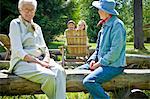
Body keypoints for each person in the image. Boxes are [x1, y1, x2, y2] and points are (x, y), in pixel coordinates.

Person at [8, 0, 66, 99]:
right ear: (20, 10)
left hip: (40, 60)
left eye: (32, 10)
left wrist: (46, 59)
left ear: (35, 11)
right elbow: (18, 51)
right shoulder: (15, 24)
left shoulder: (37, 27)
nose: (29, 12)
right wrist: (39, 63)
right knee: (50, 76)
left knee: (60, 71)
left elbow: (44, 48)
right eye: (26, 9)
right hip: (22, 62)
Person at [76, 0, 126, 99]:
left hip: (114, 66)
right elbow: (98, 49)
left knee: (89, 81)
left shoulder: (117, 25)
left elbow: (115, 52)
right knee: (76, 71)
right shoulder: (104, 25)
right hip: (102, 63)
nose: (98, 11)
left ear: (106, 11)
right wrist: (92, 60)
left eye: (100, 9)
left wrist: (99, 64)